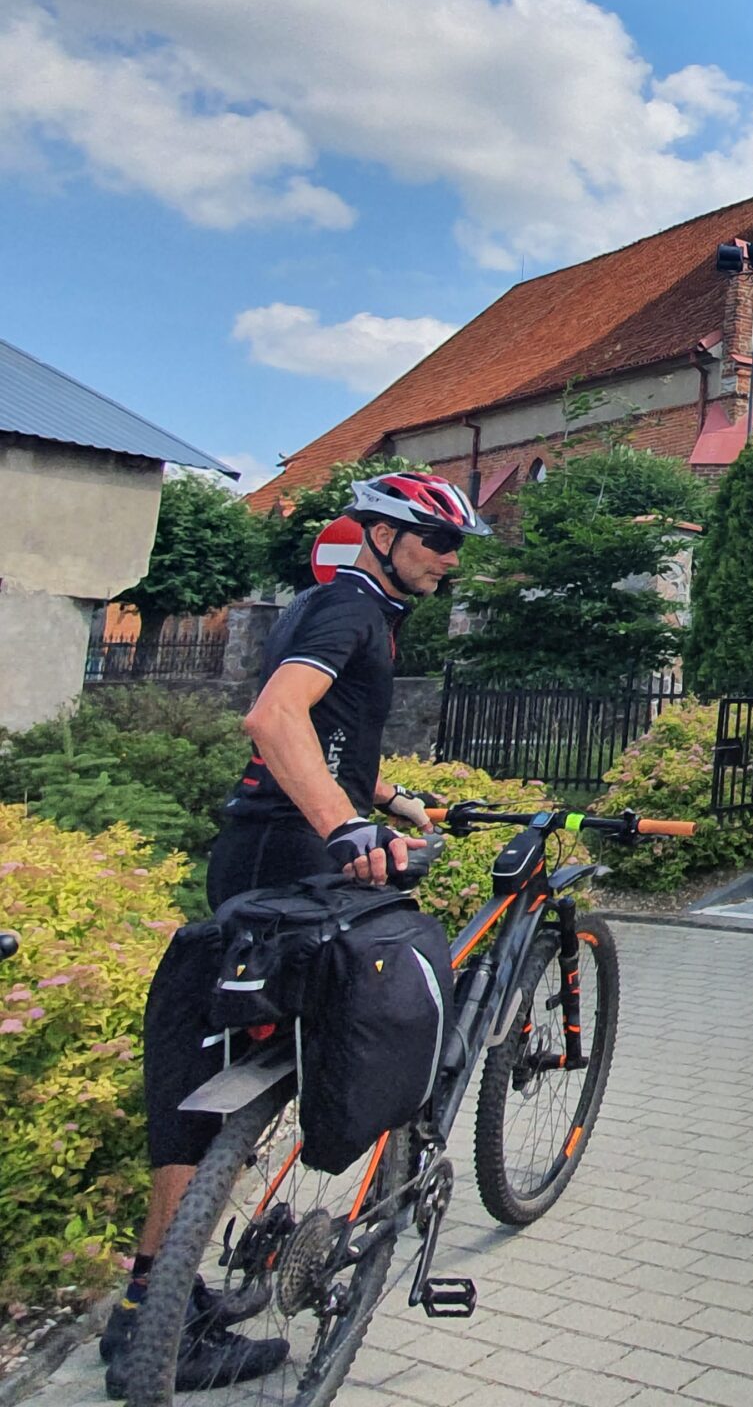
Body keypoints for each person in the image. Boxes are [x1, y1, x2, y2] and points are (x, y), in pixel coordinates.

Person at [112, 473, 488, 1396]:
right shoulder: (351, 611)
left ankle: (157, 1300)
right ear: (383, 536)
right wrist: (346, 828)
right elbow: (273, 719)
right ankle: (171, 1312)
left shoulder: (345, 607)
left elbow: (325, 733)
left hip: (269, 845)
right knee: (377, 993)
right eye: (438, 542)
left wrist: (391, 799)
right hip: (289, 855)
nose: (449, 561)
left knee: (218, 1066)